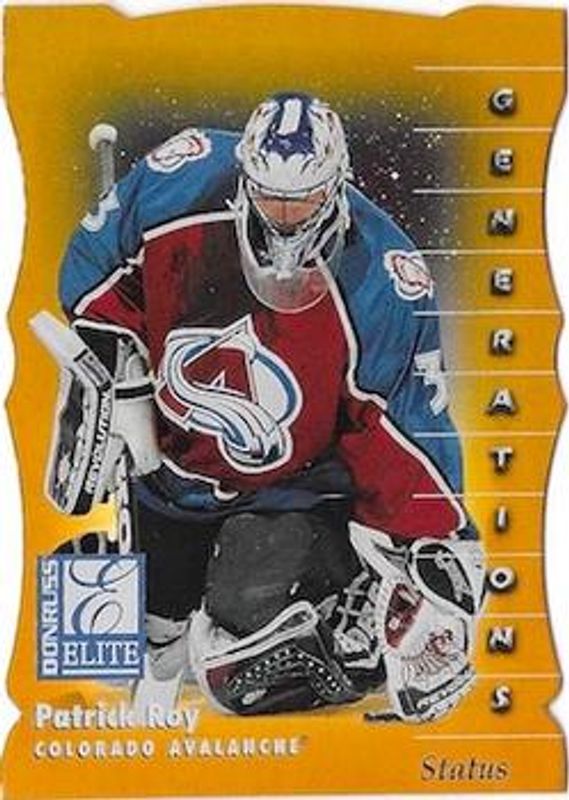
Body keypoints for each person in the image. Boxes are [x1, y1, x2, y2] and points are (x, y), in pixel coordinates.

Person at [44, 92, 485, 721]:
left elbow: (403, 423)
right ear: (245, 176)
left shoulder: (384, 277)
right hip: (168, 474)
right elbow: (93, 271)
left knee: (234, 666)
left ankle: (344, 607)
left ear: (337, 185)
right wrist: (121, 373)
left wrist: (438, 548)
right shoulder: (180, 180)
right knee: (115, 637)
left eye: (303, 199)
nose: (285, 219)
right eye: (271, 197)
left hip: (288, 491)